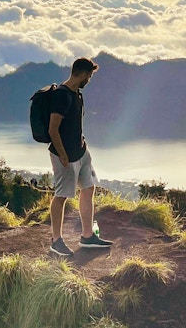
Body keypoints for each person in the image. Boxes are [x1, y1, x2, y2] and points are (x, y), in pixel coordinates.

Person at [48, 57, 113, 257]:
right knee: (61, 196)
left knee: (88, 188)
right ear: (83, 74)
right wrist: (63, 155)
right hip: (65, 156)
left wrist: (82, 147)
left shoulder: (77, 94)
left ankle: (87, 236)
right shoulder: (61, 95)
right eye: (90, 76)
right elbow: (53, 129)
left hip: (81, 152)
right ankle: (56, 241)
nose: (89, 80)